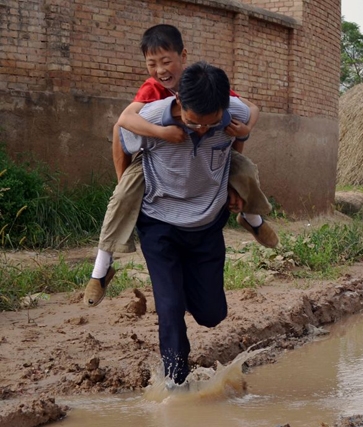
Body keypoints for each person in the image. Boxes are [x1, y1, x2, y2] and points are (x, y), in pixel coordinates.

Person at [83, 24, 277, 307]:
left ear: (183, 56)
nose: (161, 70)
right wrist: (157, 138)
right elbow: (122, 123)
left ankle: (252, 218)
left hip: (210, 156)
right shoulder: (152, 90)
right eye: (152, 63)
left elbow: (250, 109)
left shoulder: (203, 85)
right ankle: (101, 270)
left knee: (246, 170)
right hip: (158, 161)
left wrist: (243, 131)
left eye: (166, 61)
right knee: (122, 198)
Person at [122, 60, 247, 386]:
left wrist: (236, 179)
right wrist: (124, 190)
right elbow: (119, 136)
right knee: (169, 309)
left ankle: (180, 294)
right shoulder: (150, 118)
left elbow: (247, 124)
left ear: (224, 107)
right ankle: (176, 384)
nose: (202, 130)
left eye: (211, 123)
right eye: (194, 123)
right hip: (159, 224)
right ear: (179, 103)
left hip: (207, 225)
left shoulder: (233, 113)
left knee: (212, 314)